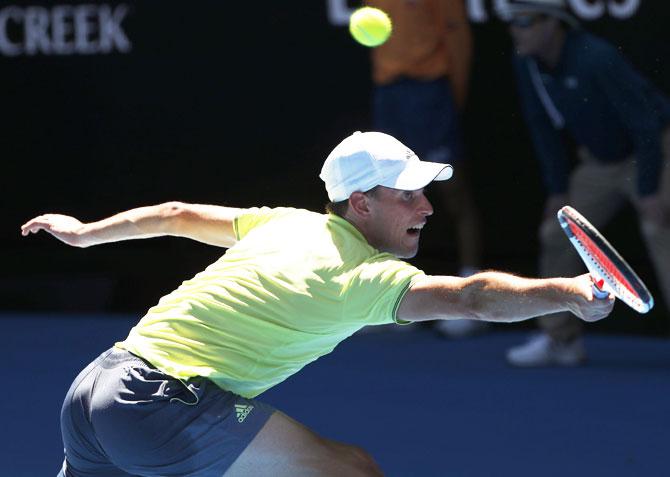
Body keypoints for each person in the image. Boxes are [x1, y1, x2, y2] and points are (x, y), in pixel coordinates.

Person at [22, 131, 613, 476]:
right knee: (353, 471)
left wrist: (86, 232)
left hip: (95, 387)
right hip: (162, 407)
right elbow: (475, 299)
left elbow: (176, 215)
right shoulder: (361, 276)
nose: (426, 209)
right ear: (360, 203)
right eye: (407, 195)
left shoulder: (287, 224)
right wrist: (571, 293)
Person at [500, 0, 670, 367]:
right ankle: (560, 338)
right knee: (555, 233)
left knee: (660, 226)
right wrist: (558, 189)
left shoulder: (597, 58)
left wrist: (649, 190)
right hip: (600, 164)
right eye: (513, 21)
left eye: (526, 20)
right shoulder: (527, 64)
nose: (517, 29)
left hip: (654, 150)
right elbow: (542, 130)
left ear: (554, 23)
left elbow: (645, 125)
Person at [365, 0, 486, 338]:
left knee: (453, 190)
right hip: (389, 92)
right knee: (386, 194)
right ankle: (390, 301)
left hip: (431, 91)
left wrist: (453, 95)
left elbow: (457, 36)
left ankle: (472, 296)